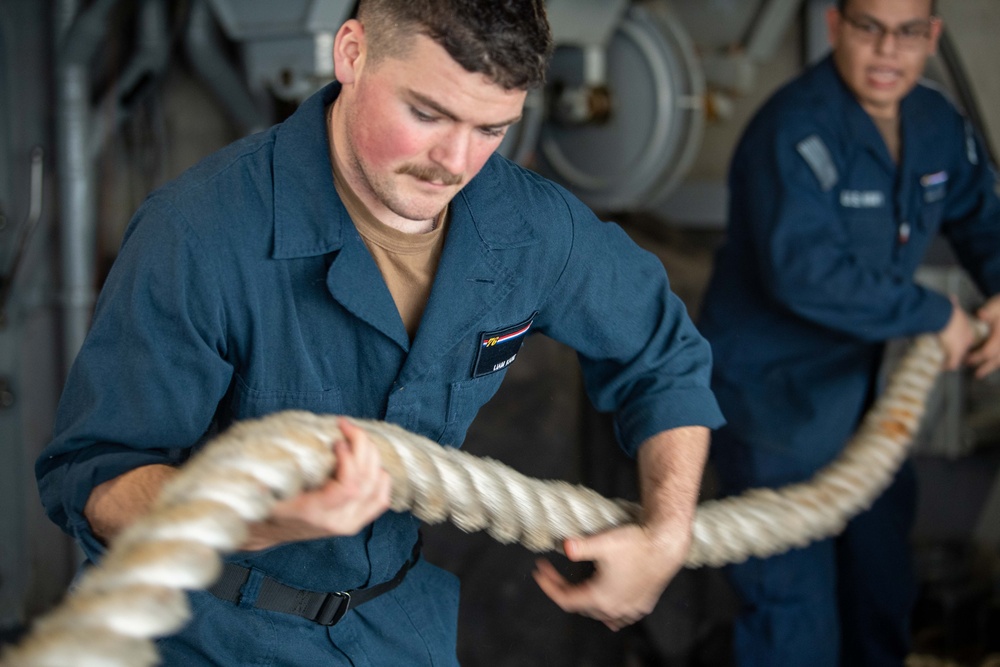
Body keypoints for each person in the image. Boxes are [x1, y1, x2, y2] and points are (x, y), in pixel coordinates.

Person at [35, 1, 725, 664]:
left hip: (393, 626)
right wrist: (266, 517)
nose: (455, 160)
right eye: (426, 113)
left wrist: (665, 536)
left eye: (492, 129)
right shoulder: (197, 234)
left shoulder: (528, 226)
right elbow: (100, 478)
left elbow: (662, 351)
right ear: (352, 55)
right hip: (202, 633)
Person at [698, 0, 1000, 664]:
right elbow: (805, 271)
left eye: (908, 32)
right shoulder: (794, 129)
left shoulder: (934, 122)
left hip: (863, 403)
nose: (888, 49)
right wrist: (938, 314)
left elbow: (983, 210)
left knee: (883, 591)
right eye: (869, 27)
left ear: (932, 37)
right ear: (836, 26)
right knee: (794, 623)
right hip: (773, 407)